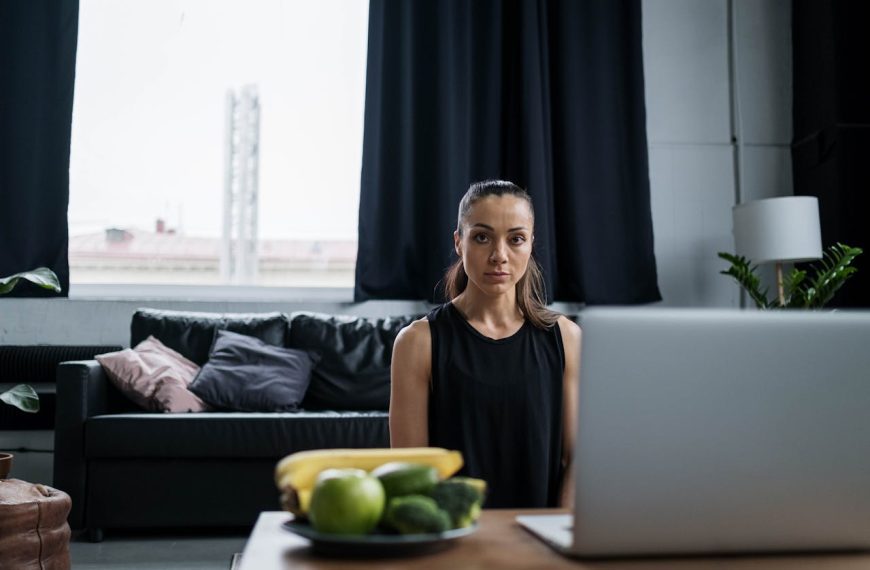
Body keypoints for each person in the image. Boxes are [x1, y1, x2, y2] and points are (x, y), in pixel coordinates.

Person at [389, 180, 581, 508]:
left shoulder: (566, 337)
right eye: (482, 237)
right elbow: (412, 473)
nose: (499, 256)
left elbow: (580, 458)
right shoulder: (418, 342)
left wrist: (556, 533)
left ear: (531, 244)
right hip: (454, 543)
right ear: (458, 243)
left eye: (516, 239)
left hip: (541, 544)